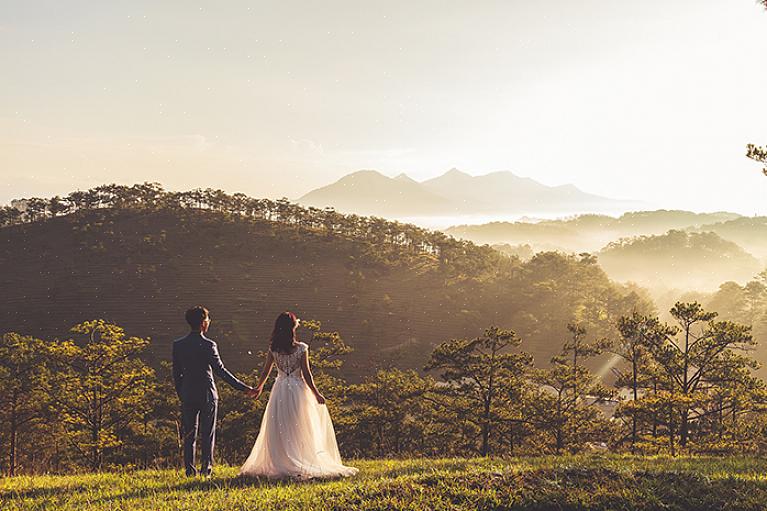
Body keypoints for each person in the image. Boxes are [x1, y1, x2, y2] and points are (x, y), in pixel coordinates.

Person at [239, 311, 358, 479]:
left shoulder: (274, 349)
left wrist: (259, 387)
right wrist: (316, 393)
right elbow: (306, 374)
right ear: (293, 328)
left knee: (281, 425)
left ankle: (282, 459)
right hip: (298, 390)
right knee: (300, 424)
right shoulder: (301, 348)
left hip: (279, 390)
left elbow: (266, 371)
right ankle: (300, 458)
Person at [172, 306, 257, 477]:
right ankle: (206, 470)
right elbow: (220, 371)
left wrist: (182, 393)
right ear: (203, 323)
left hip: (188, 394)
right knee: (207, 433)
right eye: (208, 320)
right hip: (207, 394)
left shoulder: (178, 345)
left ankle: (189, 470)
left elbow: (176, 373)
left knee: (189, 434)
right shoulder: (209, 345)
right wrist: (243, 387)